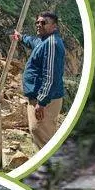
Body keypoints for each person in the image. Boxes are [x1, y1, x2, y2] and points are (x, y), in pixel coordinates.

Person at [12, 10, 66, 148]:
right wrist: (21, 37)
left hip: (45, 100)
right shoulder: (44, 40)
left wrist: (41, 102)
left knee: (43, 136)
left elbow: (50, 76)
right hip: (39, 96)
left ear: (54, 26)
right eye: (37, 22)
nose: (39, 25)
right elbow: (33, 41)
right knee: (39, 133)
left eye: (44, 22)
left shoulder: (52, 44)